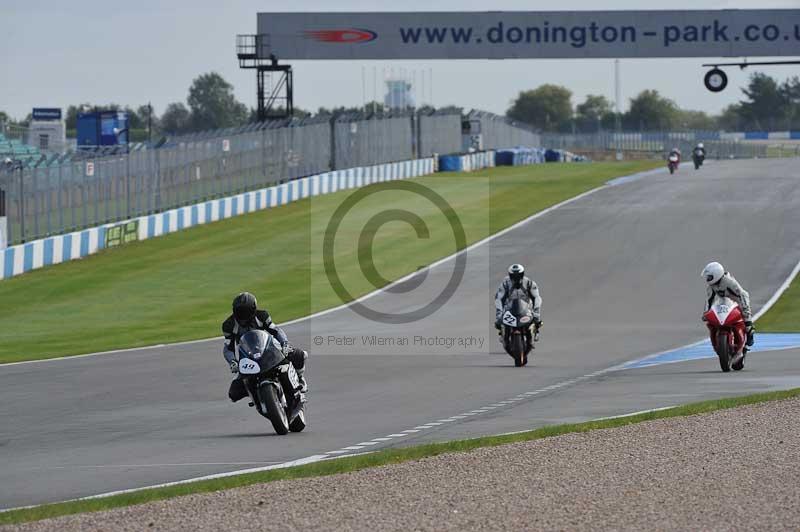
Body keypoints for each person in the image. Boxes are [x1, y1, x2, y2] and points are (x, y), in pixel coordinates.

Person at [222, 292, 308, 403]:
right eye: (240, 312)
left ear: (253, 310)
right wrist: (233, 362)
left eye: (246, 312)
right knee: (234, 393)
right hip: (248, 357)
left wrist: (285, 343)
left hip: (268, 349)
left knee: (299, 355)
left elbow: (276, 331)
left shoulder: (262, 315)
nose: (243, 316)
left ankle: (300, 378)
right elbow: (228, 348)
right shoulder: (229, 325)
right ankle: (257, 396)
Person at [701, 262, 754, 348]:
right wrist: (705, 313)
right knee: (710, 322)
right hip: (724, 303)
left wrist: (746, 311)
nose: (707, 279)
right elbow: (709, 300)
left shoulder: (729, 282)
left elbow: (743, 294)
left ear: (716, 274)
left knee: (747, 322)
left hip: (737, 302)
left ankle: (749, 331)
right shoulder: (711, 286)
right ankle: (716, 339)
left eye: (709, 276)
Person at [494, 264, 542, 336]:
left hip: (526, 309)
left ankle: (534, 332)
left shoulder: (530, 283)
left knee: (536, 321)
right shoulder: (505, 284)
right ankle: (504, 335)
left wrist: (536, 313)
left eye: (519, 275)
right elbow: (499, 299)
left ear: (522, 274)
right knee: (499, 323)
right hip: (509, 309)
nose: (516, 278)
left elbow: (537, 297)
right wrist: (499, 314)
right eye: (514, 276)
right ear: (510, 275)